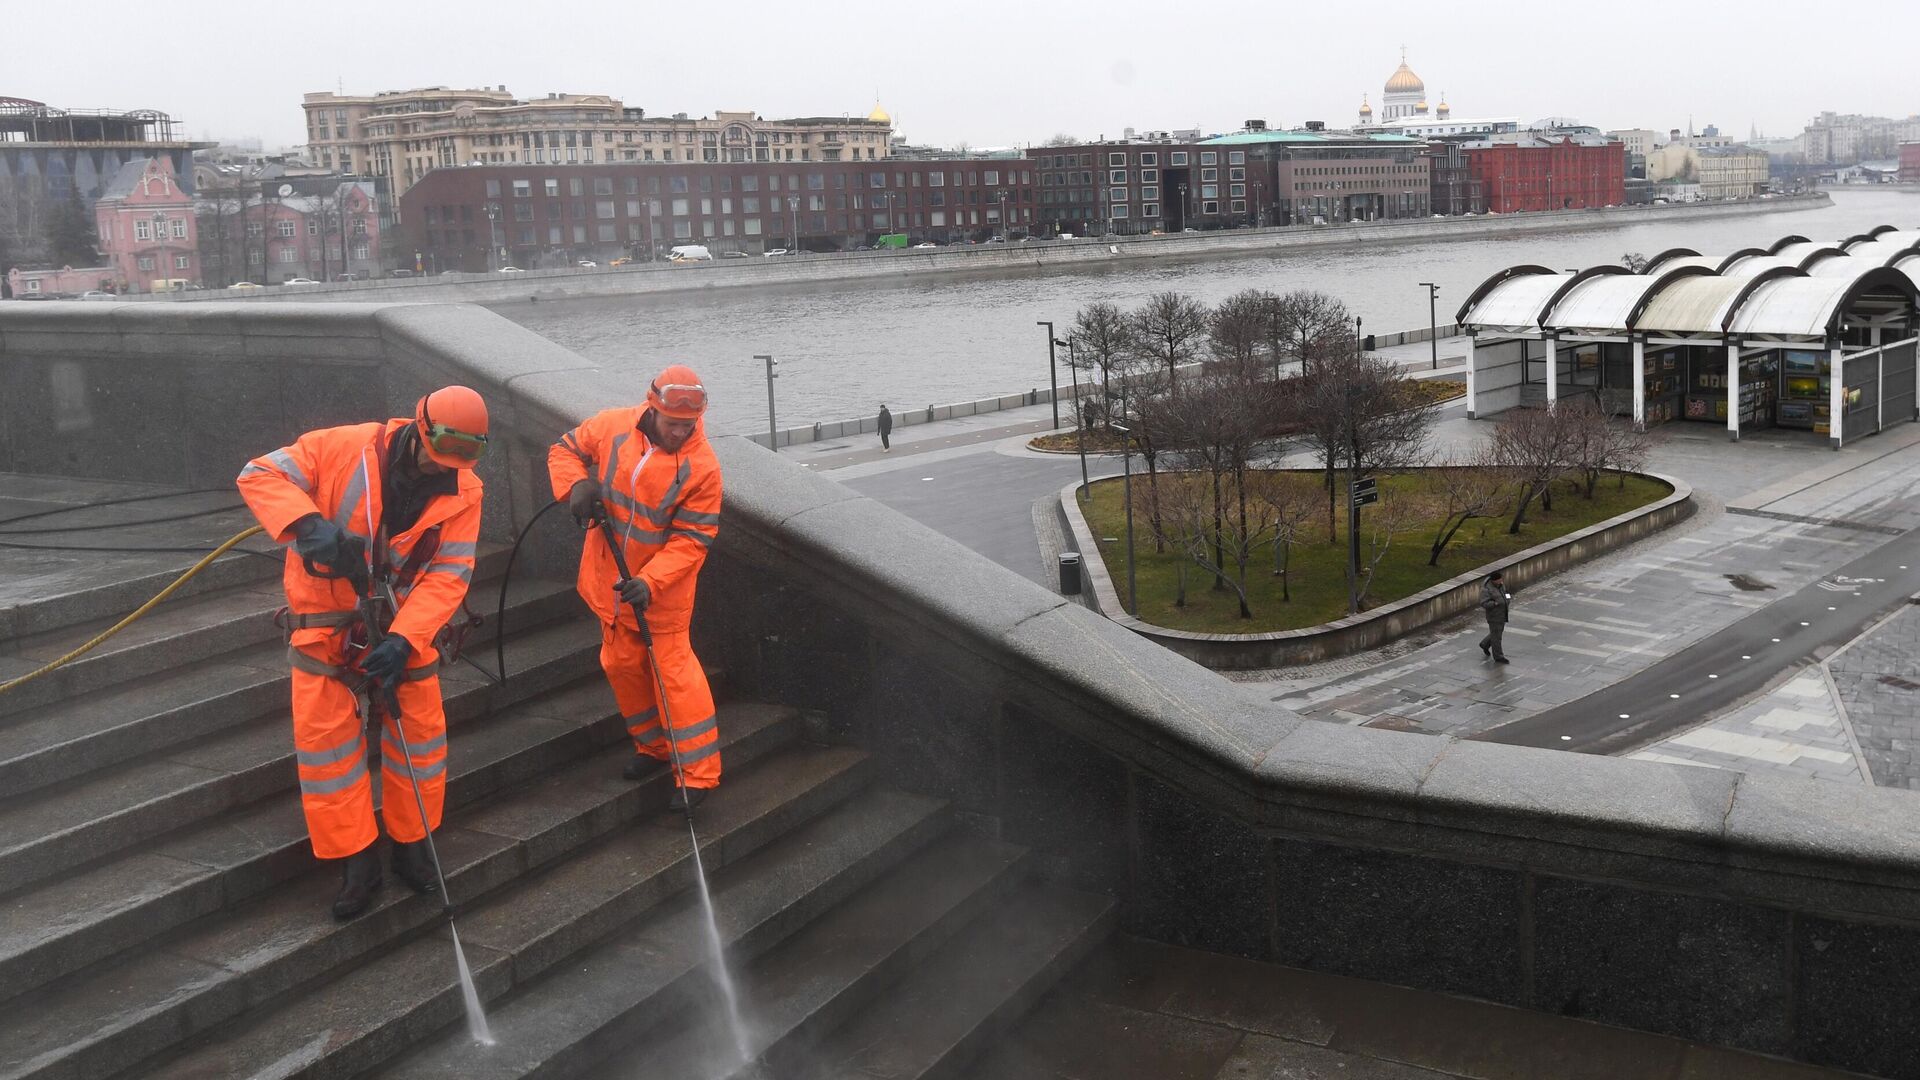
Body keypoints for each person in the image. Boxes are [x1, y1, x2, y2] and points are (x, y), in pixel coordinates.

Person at [236, 386, 488, 919]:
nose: (438, 471)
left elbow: (449, 573)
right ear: (420, 428)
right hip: (325, 628)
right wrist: (308, 526)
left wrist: (404, 639)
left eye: (456, 462)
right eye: (435, 456)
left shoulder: (465, 488)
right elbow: (258, 473)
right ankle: (357, 860)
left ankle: (413, 845)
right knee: (329, 750)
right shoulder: (340, 448)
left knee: (419, 738)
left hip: (404, 624)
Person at [549, 364, 724, 811]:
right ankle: (654, 749)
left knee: (676, 681)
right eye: (673, 425)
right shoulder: (611, 427)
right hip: (609, 586)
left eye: (689, 426)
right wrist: (577, 485)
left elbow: (692, 541)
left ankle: (698, 776)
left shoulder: (702, 467)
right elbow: (564, 451)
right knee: (621, 666)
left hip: (660, 598)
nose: (681, 433)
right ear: (652, 408)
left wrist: (649, 581)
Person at [1479, 569, 1511, 664]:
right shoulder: (1486, 589)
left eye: (1501, 579)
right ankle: (1498, 657)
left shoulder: (1500, 585)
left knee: (1497, 633)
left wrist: (1508, 599)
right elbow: (1484, 603)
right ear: (1494, 580)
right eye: (1499, 580)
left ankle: (1485, 644)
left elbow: (1506, 593)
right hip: (1494, 616)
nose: (1501, 581)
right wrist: (1495, 603)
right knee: (1497, 637)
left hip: (1503, 613)